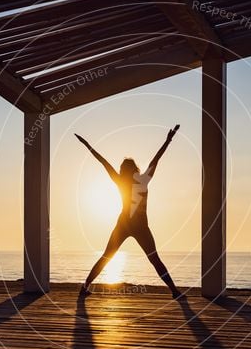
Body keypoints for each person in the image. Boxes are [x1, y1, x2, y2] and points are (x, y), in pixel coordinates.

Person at [75, 126, 182, 299]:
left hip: (124, 225)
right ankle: (175, 291)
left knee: (107, 256)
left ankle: (85, 286)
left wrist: (87, 145)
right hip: (139, 226)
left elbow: (103, 162)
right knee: (154, 259)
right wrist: (168, 140)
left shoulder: (120, 181)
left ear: (123, 170)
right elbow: (157, 158)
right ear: (135, 169)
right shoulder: (143, 179)